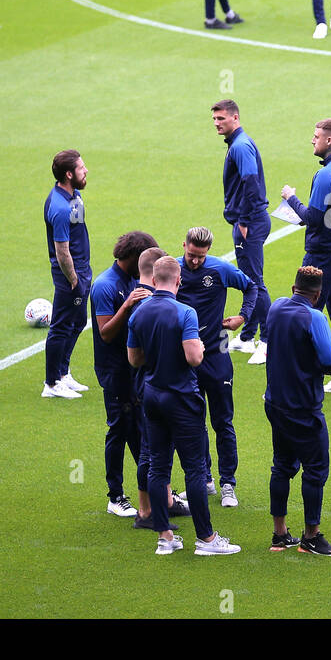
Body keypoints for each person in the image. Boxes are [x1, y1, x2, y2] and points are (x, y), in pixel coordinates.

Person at [128, 256, 240, 555]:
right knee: (193, 468)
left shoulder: (138, 312)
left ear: (153, 280)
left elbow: (134, 359)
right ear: (178, 281)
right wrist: (200, 348)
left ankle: (165, 537)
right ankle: (206, 539)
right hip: (181, 396)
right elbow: (194, 358)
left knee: (157, 466)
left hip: (152, 395)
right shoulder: (185, 312)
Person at [263, 266, 331, 556]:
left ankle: (279, 535)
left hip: (275, 404)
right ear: (318, 294)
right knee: (315, 468)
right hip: (303, 408)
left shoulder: (275, 307)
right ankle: (311, 538)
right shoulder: (314, 316)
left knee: (282, 466)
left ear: (292, 288)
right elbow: (328, 358)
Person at [176, 226, 259, 509]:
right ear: (183, 245)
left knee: (222, 421)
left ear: (208, 251)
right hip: (187, 357)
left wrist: (243, 317)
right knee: (194, 421)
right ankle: (205, 479)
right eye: (191, 255)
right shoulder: (173, 271)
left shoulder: (221, 269)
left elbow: (252, 287)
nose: (195, 261)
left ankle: (228, 484)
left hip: (217, 352)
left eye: (200, 256)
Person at [282, 118, 331, 396]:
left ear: (329, 141)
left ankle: (302, 375)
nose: (312, 140)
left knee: (305, 312)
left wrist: (291, 198)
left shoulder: (326, 174)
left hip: (322, 254)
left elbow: (311, 218)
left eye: (315, 136)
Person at [90, 230, 158, 518]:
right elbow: (105, 333)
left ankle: (154, 489)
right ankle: (115, 496)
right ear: (131, 257)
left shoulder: (132, 278)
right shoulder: (105, 286)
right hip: (114, 370)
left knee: (139, 428)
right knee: (119, 428)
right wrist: (128, 305)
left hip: (134, 369)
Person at [128, 248, 189, 532]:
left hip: (146, 384)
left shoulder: (140, 304)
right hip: (156, 386)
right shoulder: (148, 303)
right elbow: (193, 357)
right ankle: (145, 511)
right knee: (152, 454)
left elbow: (133, 356)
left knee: (155, 452)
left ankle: (160, 503)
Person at [213, 99, 271, 363]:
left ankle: (268, 341)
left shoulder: (241, 146)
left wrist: (245, 221)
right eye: (214, 119)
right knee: (250, 279)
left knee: (254, 282)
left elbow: (251, 183)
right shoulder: (237, 144)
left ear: (235, 118)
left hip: (250, 222)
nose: (217, 123)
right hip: (248, 221)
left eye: (221, 119)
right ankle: (248, 337)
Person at [43, 149, 92, 399]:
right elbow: (62, 251)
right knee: (62, 327)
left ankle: (63, 373)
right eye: (82, 168)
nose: (87, 171)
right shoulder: (60, 207)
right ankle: (51, 384)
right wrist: (73, 279)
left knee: (79, 322)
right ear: (69, 174)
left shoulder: (75, 196)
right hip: (70, 276)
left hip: (83, 270)